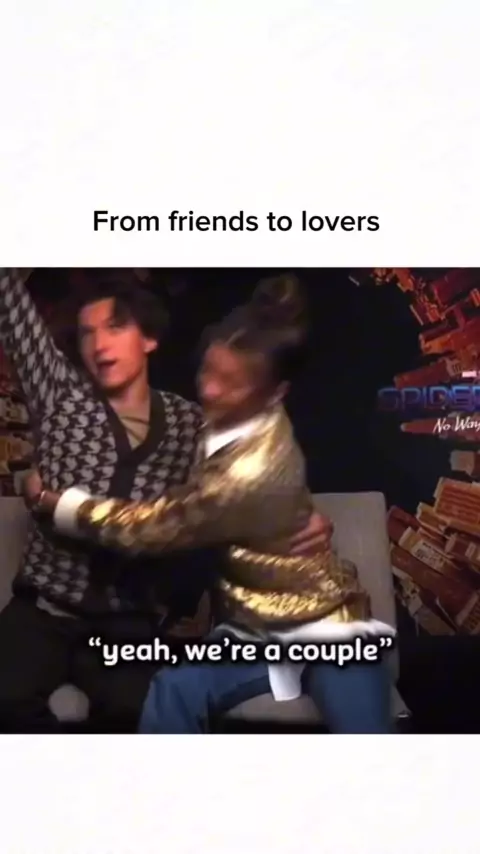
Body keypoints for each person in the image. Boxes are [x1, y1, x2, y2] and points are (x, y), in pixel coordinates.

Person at [34, 275, 396, 733]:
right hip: (251, 629)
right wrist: (299, 515)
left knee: (366, 735)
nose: (210, 390)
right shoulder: (209, 419)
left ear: (275, 394)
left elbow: (150, 527)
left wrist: (58, 503)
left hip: (329, 626)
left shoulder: (247, 472)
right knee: (172, 690)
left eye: (231, 384)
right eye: (209, 371)